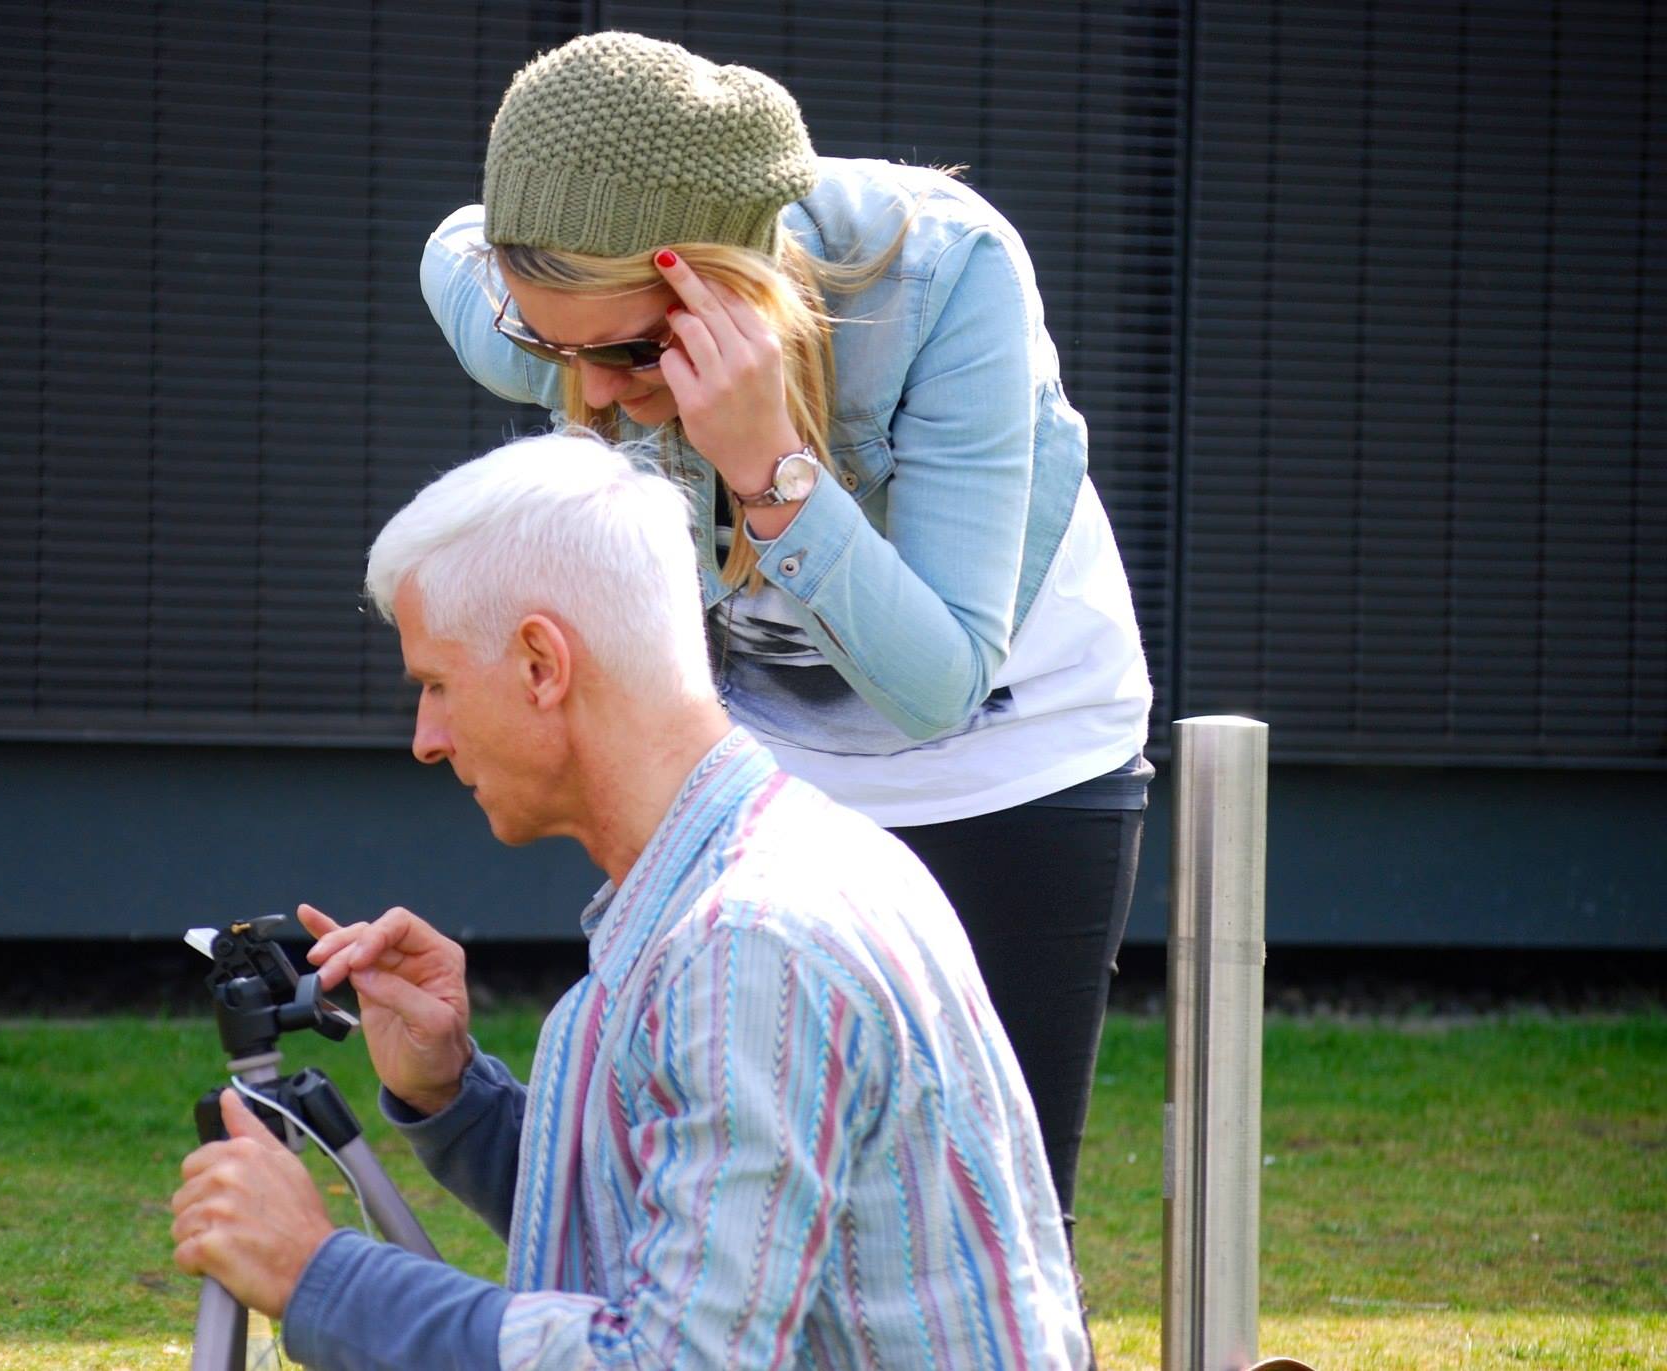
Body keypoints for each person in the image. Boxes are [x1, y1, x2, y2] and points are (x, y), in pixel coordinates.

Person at [419, 31, 1154, 1238]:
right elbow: (447, 248)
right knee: (715, 1192)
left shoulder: (945, 275)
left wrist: (765, 465)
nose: (588, 393)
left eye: (625, 351)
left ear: (733, 287)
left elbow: (935, 686)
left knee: (987, 1217)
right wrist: (558, 328)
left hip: (1007, 752)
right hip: (764, 768)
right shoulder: (547, 317)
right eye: (555, 348)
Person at [170, 431, 1089, 1370]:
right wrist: (454, 1093)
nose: (426, 738)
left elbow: (674, 1356)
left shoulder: (750, 942)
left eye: (438, 684)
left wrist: (318, 1273)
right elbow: (671, 1231)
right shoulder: (764, 873)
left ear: (541, 663)